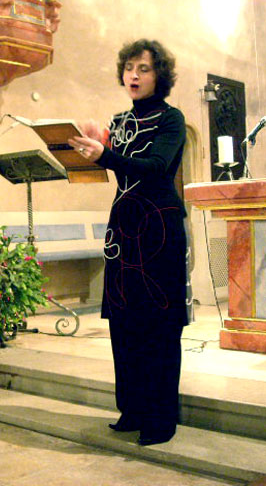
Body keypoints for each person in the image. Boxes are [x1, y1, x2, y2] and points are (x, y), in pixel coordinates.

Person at [68, 39, 188, 446]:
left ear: (160, 76)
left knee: (159, 325)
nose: (134, 75)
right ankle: (133, 408)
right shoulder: (119, 121)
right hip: (124, 225)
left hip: (159, 226)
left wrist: (103, 153)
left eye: (144, 68)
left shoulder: (171, 120)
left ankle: (161, 418)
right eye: (130, 68)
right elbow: (112, 169)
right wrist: (88, 148)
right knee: (125, 323)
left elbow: (154, 169)